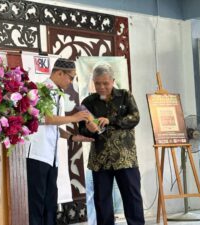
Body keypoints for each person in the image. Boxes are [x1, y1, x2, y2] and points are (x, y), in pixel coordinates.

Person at [26, 58, 93, 225]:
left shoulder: (59, 95)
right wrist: (74, 117)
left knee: (50, 201)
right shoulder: (41, 90)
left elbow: (55, 125)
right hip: (37, 154)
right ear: (59, 73)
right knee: (37, 202)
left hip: (52, 157)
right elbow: (46, 119)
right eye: (70, 77)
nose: (71, 82)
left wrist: (72, 137)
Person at [79, 63, 145, 225]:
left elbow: (135, 118)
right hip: (100, 160)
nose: (101, 87)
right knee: (102, 200)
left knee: (132, 197)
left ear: (112, 81)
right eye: (97, 83)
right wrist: (89, 128)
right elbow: (82, 129)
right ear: (93, 82)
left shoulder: (125, 96)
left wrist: (111, 120)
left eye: (105, 83)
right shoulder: (88, 102)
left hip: (125, 158)